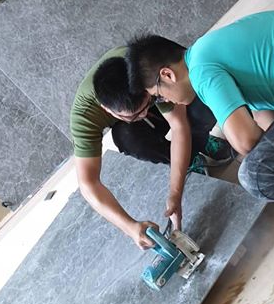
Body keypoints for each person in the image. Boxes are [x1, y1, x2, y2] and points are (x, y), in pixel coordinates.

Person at [126, 9, 274, 224]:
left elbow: (246, 141)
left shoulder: (201, 71)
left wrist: (271, 157)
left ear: (167, 74)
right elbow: (267, 117)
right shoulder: (210, 47)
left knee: (259, 177)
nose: (166, 101)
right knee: (272, 157)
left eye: (158, 96)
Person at [70, 47, 234, 248]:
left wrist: (175, 192)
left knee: (197, 102)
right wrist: (131, 227)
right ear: (106, 110)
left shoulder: (145, 67)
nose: (143, 114)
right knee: (127, 137)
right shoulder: (84, 116)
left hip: (165, 93)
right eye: (133, 115)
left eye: (145, 106)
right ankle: (190, 159)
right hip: (145, 111)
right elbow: (88, 184)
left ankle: (201, 141)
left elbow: (179, 125)